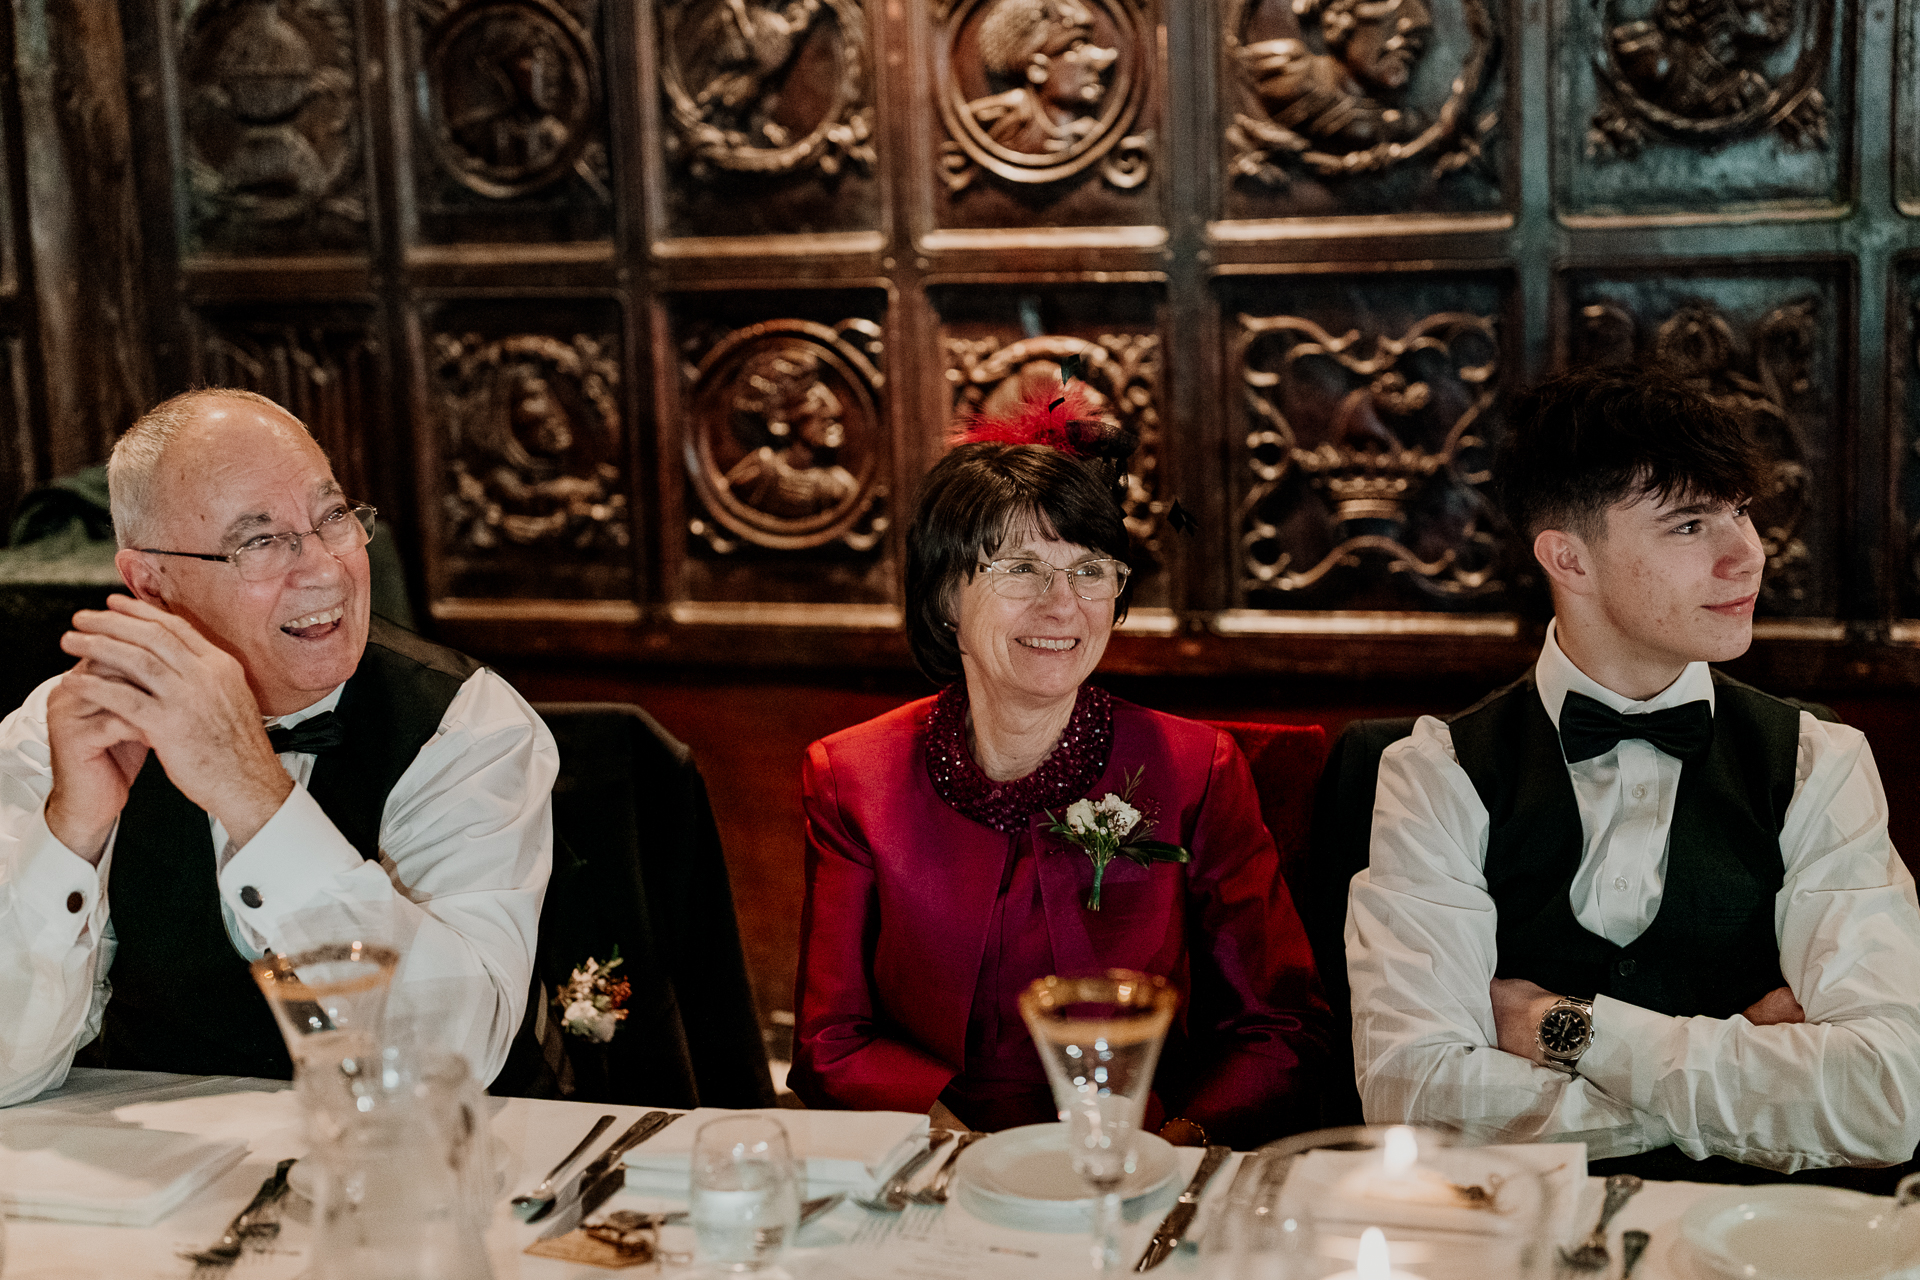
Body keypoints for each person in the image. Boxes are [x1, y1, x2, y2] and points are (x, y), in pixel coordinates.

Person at [1346, 365, 1920, 1181]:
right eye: (1689, 526)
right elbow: (1415, 1099)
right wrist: (1745, 1078)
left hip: (1759, 1246)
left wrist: (1560, 1028)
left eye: (1743, 513)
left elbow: (1889, 1098)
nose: (1746, 557)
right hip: (1516, 1245)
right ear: (1568, 559)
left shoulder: (1820, 761)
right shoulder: (1434, 773)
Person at [791, 385, 1327, 1149]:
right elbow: (830, 1041)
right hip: (941, 1162)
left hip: (1146, 1162)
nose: (1062, 605)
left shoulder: (1195, 767)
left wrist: (1170, 1145)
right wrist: (961, 1152)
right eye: (1020, 568)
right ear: (947, 595)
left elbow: (1279, 1027)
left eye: (1090, 571)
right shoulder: (853, 776)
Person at [0, 389, 556, 1104]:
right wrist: (70, 833)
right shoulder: (58, 730)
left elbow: (451, 1058)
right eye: (260, 541)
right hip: (155, 1179)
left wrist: (252, 794)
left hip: (406, 1170)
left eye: (332, 519)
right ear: (151, 584)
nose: (326, 568)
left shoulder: (466, 726)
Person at [965, 0, 1118, 156]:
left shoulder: (1091, 133)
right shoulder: (997, 120)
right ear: (1037, 69)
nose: (1098, 63)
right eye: (1077, 48)